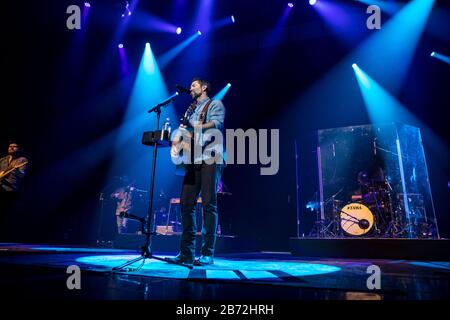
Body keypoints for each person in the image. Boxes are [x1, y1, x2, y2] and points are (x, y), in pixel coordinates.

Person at [168, 77, 226, 266]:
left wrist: (195, 126)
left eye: (193, 85)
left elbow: (216, 125)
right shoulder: (190, 109)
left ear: (204, 87)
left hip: (211, 156)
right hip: (192, 159)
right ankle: (186, 253)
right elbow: (186, 132)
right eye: (191, 85)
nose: (190, 88)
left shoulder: (214, 104)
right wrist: (176, 139)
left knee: (209, 204)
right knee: (186, 204)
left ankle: (208, 253)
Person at [0, 142, 28, 240]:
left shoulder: (22, 160)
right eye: (10, 146)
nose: (11, 147)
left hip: (11, 190)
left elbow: (21, 175)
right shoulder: (2, 160)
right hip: (1, 188)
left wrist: (17, 171)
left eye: (14, 146)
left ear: (19, 149)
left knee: (8, 214)